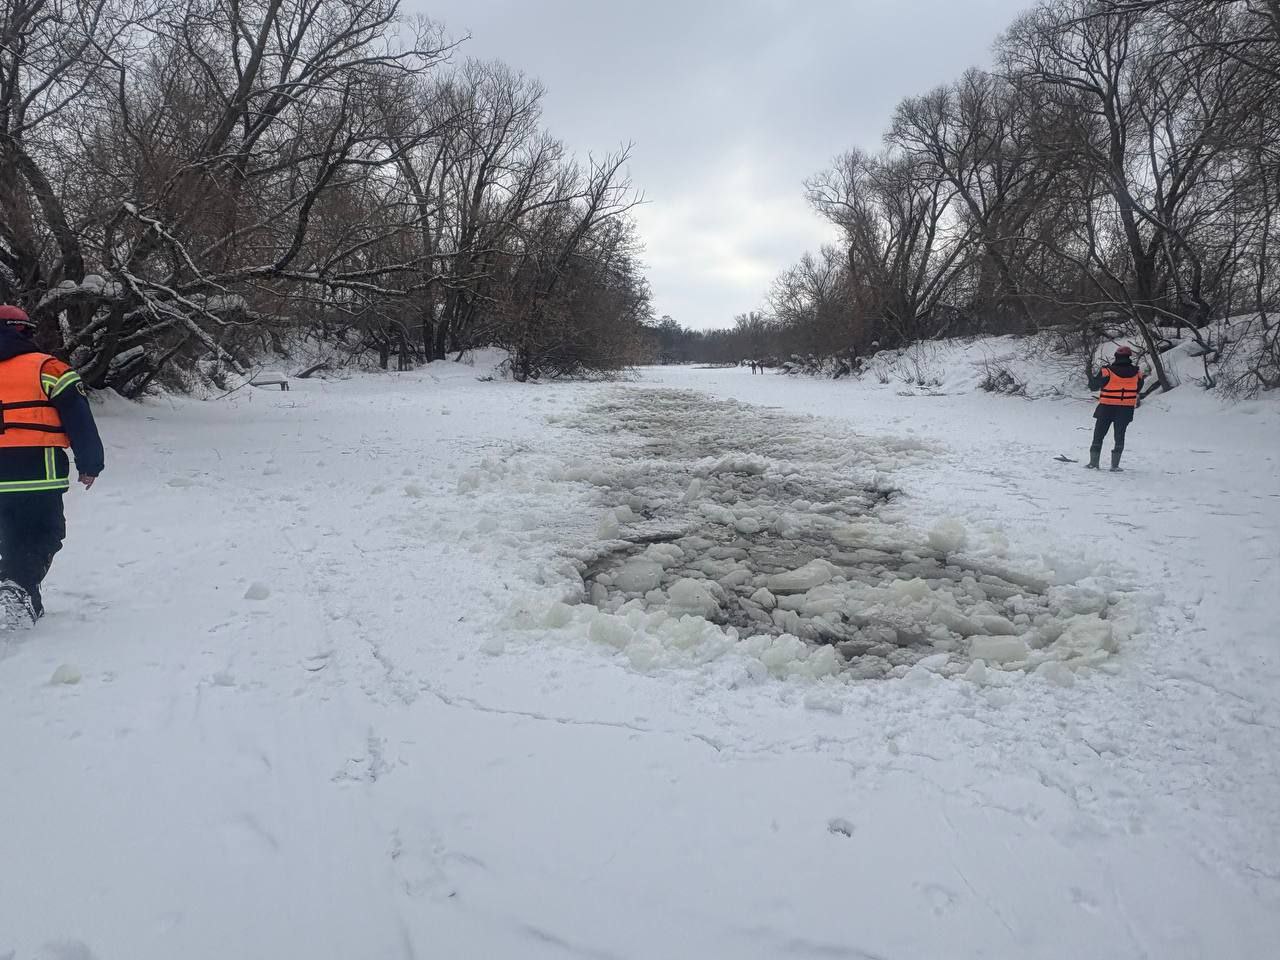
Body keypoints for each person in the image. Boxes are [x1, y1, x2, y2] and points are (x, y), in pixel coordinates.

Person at [0, 304, 104, 623]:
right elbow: (78, 416)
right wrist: (90, 463)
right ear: (24, 331)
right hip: (37, 472)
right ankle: (15, 591)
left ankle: (23, 597)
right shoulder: (48, 367)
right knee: (44, 533)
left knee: (12, 535)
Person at [1086, 345, 1144, 471]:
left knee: (1098, 435)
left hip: (1106, 408)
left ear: (1116, 357)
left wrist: (1090, 374)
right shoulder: (1137, 373)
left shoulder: (1106, 371)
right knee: (1119, 436)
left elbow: (1093, 386)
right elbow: (1138, 388)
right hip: (1125, 409)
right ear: (1129, 357)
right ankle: (1115, 465)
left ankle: (1094, 463)